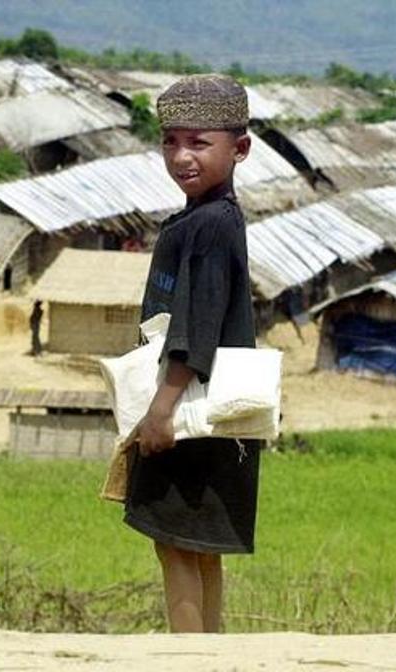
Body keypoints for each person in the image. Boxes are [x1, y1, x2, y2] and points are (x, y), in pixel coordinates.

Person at [124, 74, 258, 634]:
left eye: (199, 143)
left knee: (175, 544)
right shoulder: (210, 218)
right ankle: (210, 651)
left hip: (188, 408)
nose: (182, 156)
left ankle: (187, 655)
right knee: (200, 547)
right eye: (171, 141)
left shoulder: (208, 225)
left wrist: (161, 409)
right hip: (209, 412)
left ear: (240, 148)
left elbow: (195, 325)